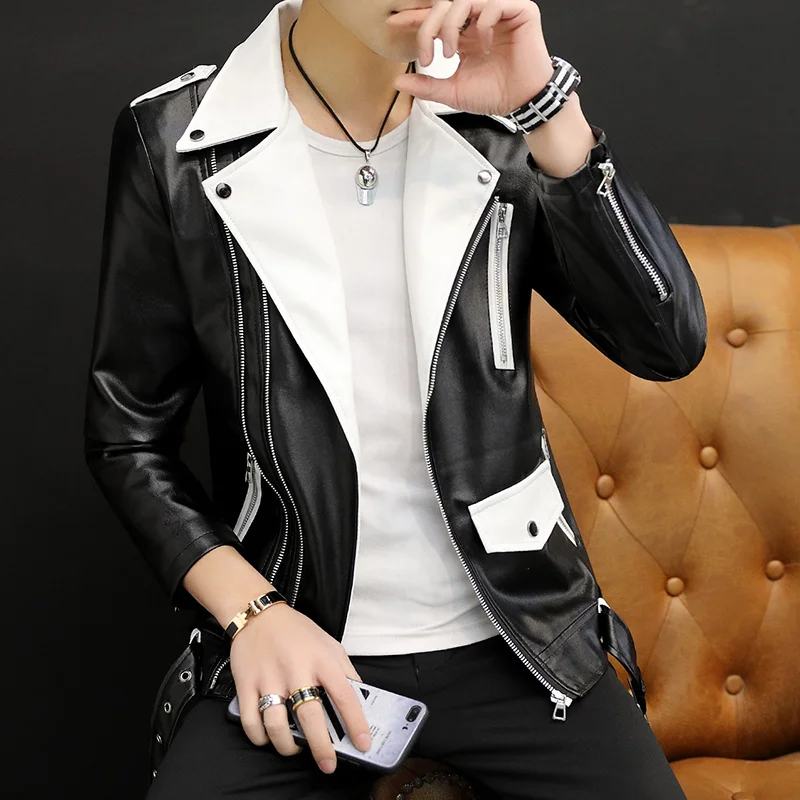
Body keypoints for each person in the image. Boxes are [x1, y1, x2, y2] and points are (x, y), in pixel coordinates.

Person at [84, 0, 707, 797]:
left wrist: (544, 107)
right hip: (300, 634)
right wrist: (252, 613)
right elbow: (127, 437)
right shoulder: (176, 139)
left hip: (522, 638)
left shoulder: (497, 121)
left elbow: (667, 343)